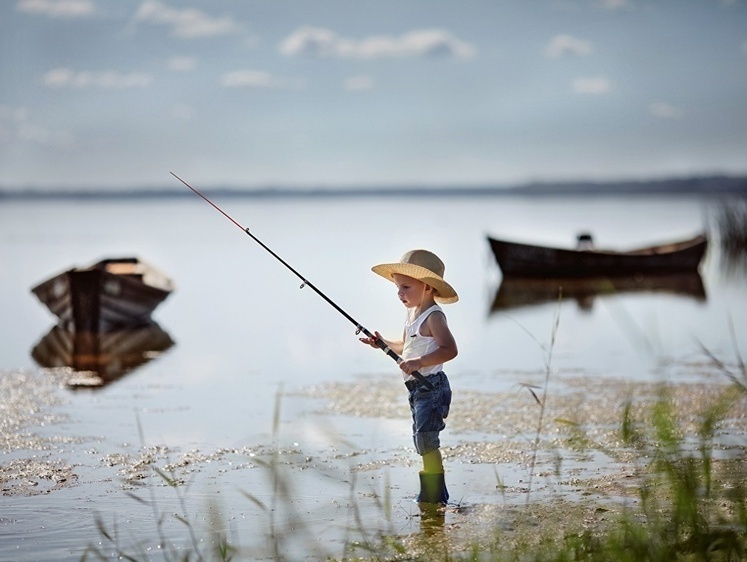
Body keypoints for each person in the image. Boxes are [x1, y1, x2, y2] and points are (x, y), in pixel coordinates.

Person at [360, 249, 458, 505]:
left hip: (431, 386)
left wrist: (419, 362)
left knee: (427, 440)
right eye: (397, 288)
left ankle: (434, 496)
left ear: (426, 286)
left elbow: (450, 350)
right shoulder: (412, 314)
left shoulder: (434, 316)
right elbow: (406, 348)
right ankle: (435, 495)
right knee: (421, 439)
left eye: (405, 287)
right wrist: (382, 343)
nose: (399, 294)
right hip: (416, 389)